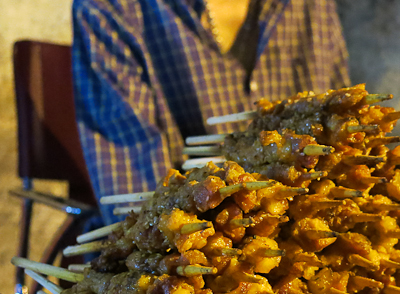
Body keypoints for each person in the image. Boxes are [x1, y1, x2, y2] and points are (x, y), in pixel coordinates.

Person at [72, 0, 351, 224]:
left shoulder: (313, 5)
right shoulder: (109, 9)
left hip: (312, 241)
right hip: (190, 264)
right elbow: (140, 211)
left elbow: (342, 140)